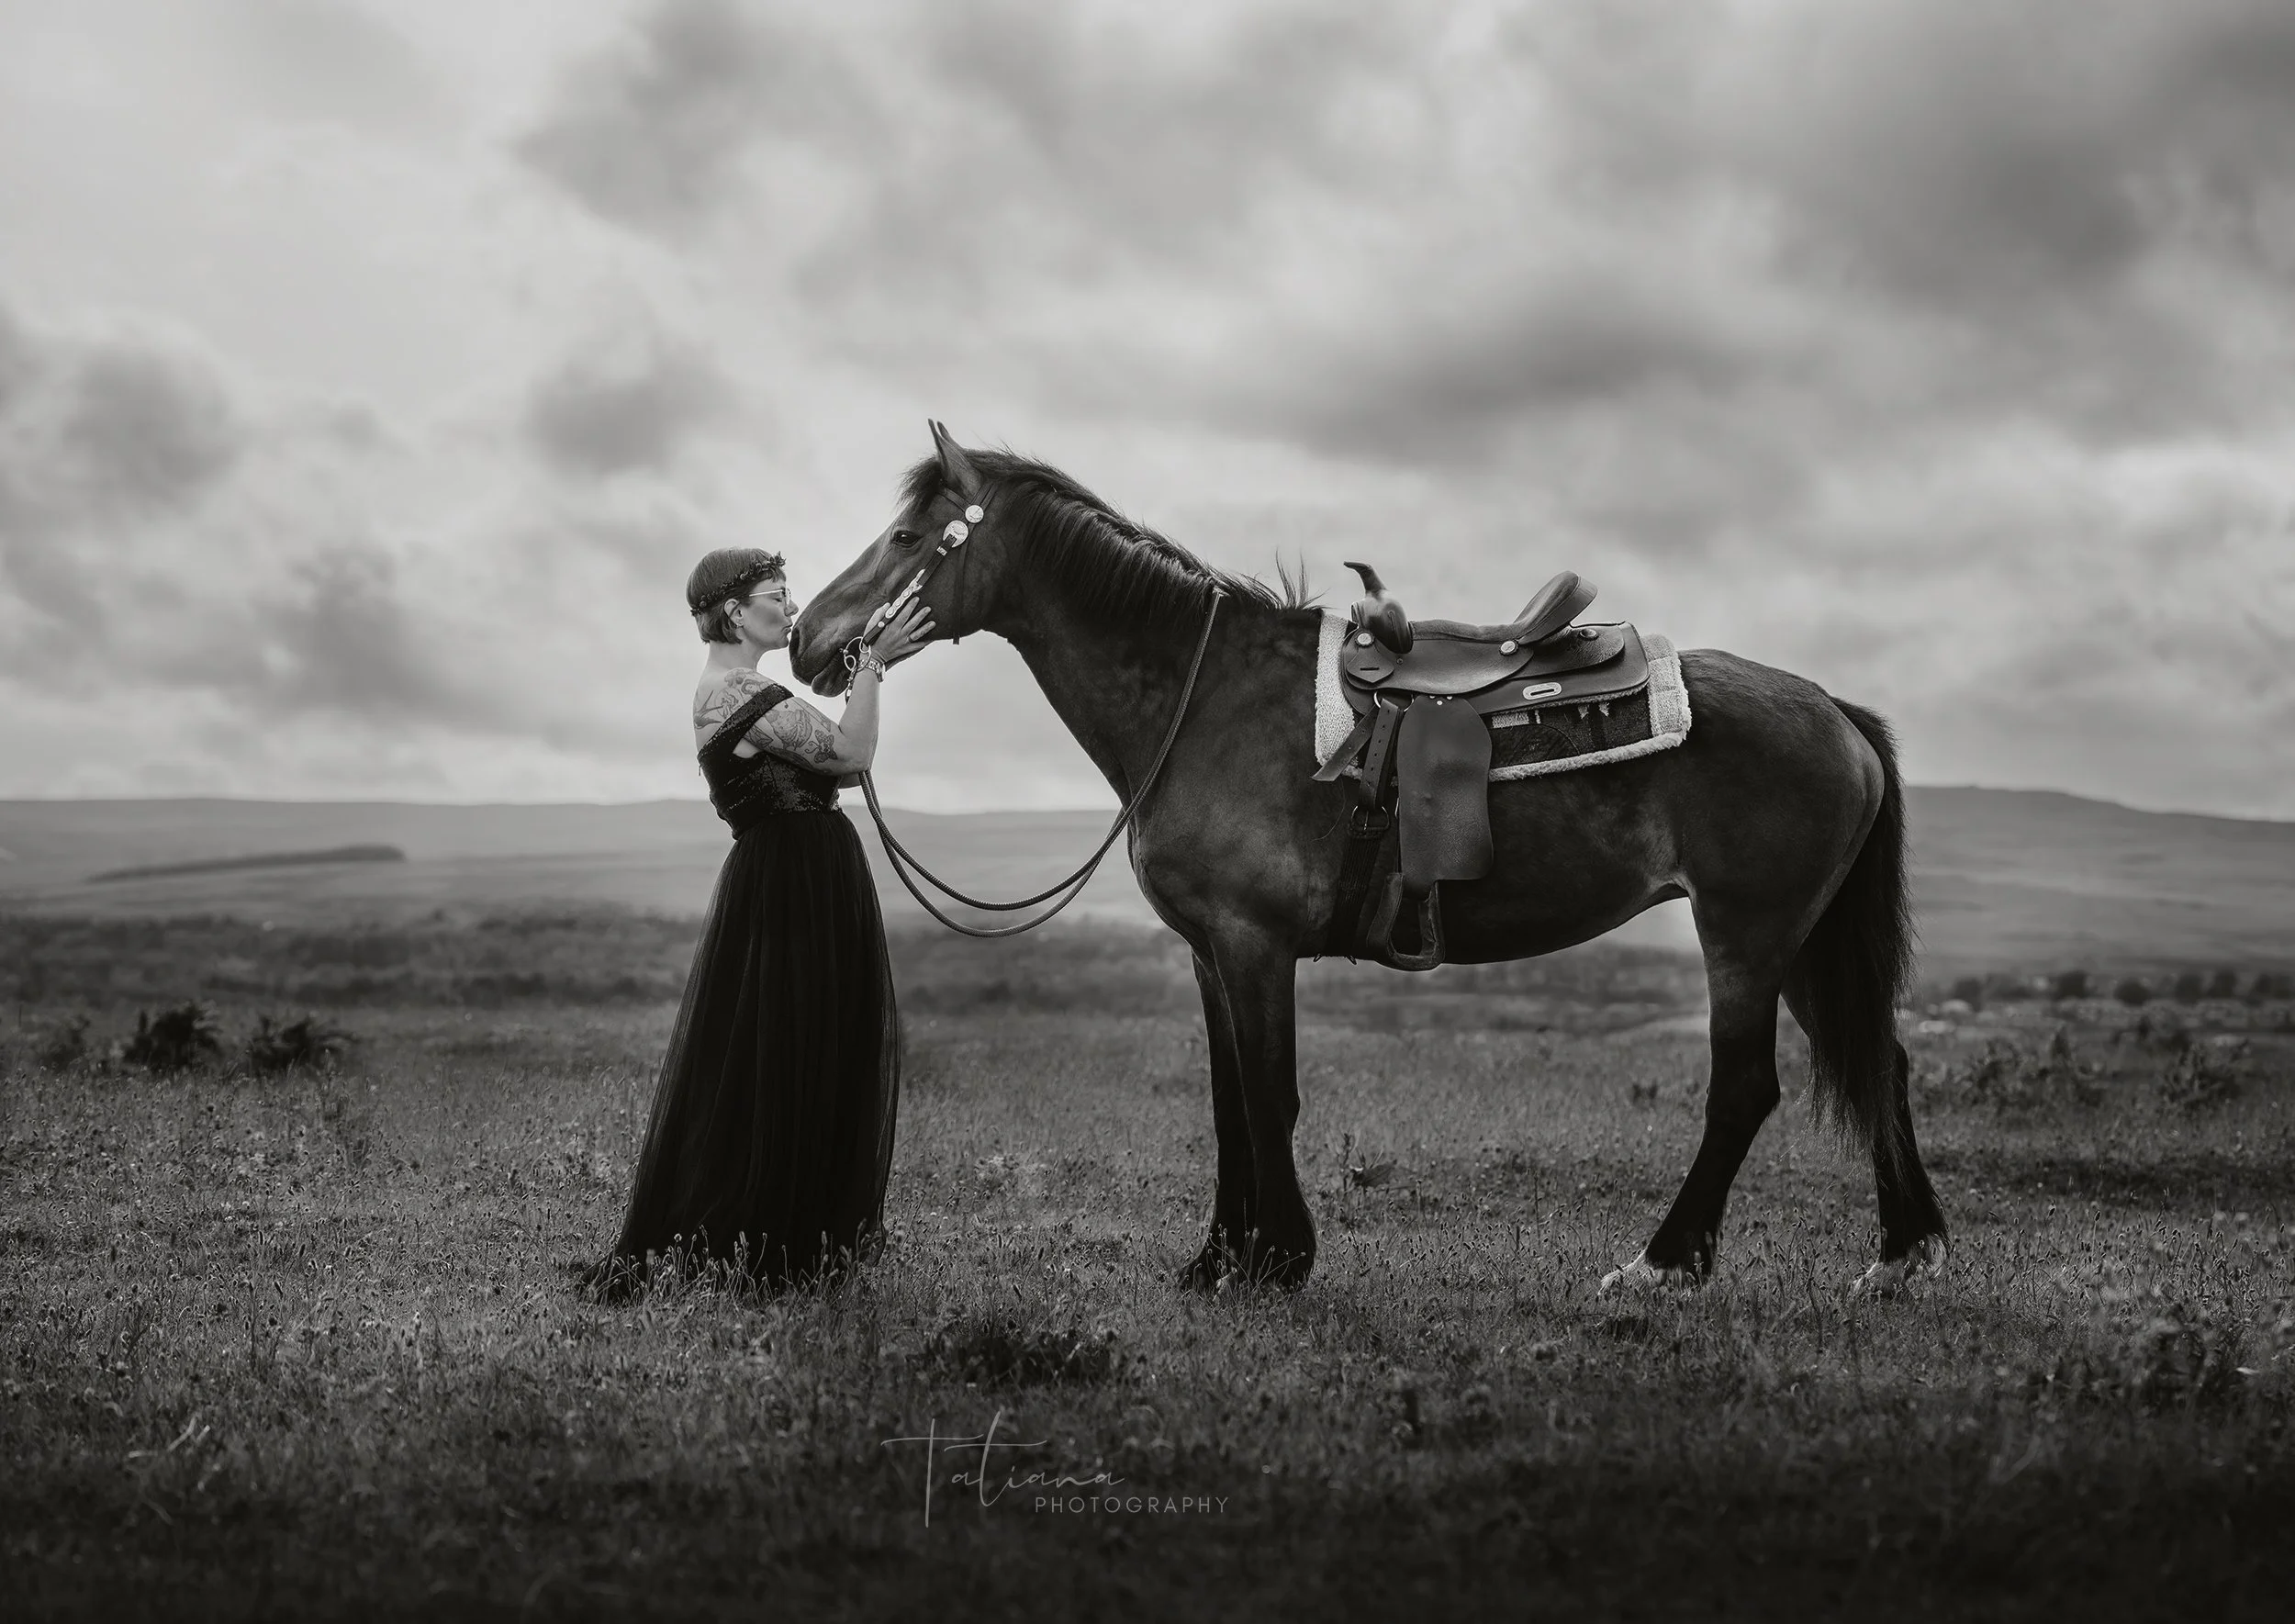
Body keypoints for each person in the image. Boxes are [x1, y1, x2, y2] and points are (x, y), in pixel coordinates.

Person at [584, 546, 935, 1295]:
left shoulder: (744, 688)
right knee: (788, 1049)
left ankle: (799, 1227)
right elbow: (850, 752)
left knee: (810, 1047)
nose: (791, 604)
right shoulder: (731, 689)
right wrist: (870, 667)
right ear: (736, 611)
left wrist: (871, 662)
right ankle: (774, 1234)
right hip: (790, 885)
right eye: (779, 593)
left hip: (804, 876)